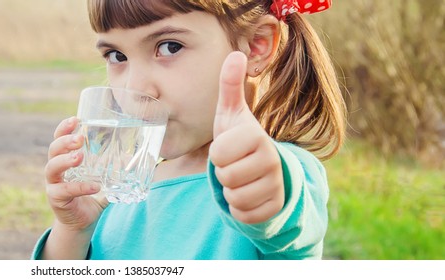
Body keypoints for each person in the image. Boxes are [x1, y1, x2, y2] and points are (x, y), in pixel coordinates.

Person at [33, 0, 346, 260]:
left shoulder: (277, 173)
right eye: (117, 56)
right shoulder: (118, 191)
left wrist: (270, 186)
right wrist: (73, 230)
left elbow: (286, 217)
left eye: (169, 47)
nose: (136, 86)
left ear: (256, 46)